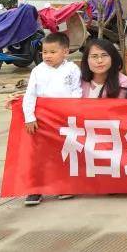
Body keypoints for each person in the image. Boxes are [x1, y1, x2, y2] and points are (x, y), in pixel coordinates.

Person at [20, 31, 82, 206]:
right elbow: (30, 95)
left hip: (65, 119)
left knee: (63, 154)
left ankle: (62, 186)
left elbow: (77, 91)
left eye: (53, 52)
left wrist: (72, 110)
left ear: (65, 52)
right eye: (44, 52)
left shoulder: (72, 69)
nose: (47, 56)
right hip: (43, 121)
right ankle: (35, 190)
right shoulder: (38, 71)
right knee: (39, 156)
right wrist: (29, 117)